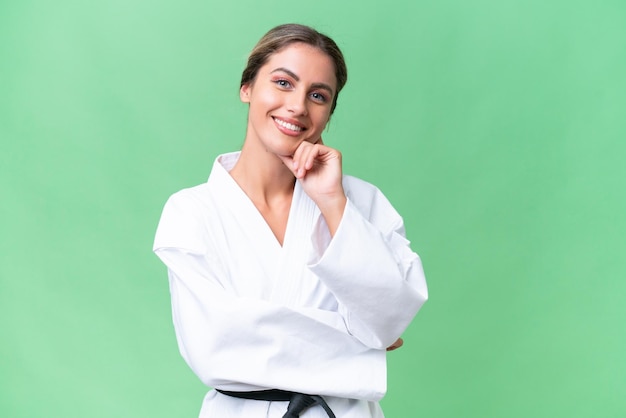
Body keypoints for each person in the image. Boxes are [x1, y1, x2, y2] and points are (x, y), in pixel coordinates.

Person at [153, 23, 428, 418]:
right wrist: (359, 345)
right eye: (283, 83)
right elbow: (215, 347)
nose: (298, 106)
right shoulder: (191, 212)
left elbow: (388, 316)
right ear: (247, 87)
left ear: (329, 112)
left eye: (318, 95)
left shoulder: (362, 202)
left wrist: (333, 203)